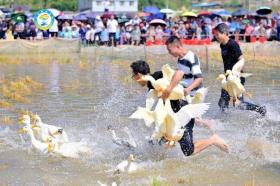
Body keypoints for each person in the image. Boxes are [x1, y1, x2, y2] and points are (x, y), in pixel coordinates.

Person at [130, 59, 229, 157]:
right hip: (174, 117)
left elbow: (179, 73)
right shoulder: (151, 85)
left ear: (138, 75)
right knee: (158, 143)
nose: (134, 79)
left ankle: (213, 140)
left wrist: (169, 90)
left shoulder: (156, 77)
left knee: (189, 151)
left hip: (183, 114)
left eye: (134, 76)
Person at [214, 23, 266, 116]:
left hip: (236, 78)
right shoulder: (222, 45)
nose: (216, 36)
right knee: (222, 102)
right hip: (228, 78)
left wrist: (237, 75)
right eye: (215, 34)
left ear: (225, 33)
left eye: (217, 34)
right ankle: (224, 121)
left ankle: (260, 109)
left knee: (239, 104)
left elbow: (241, 60)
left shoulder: (232, 44)